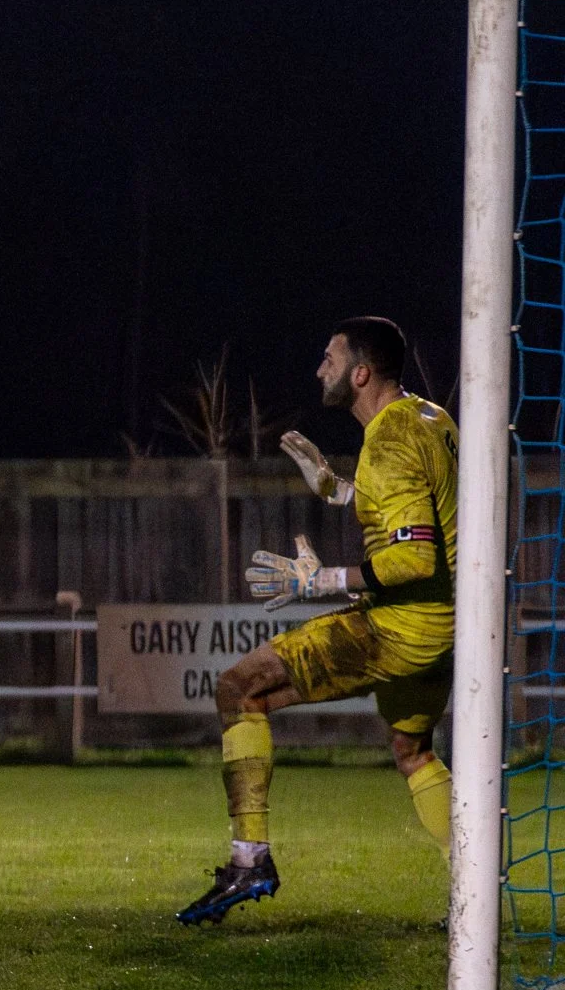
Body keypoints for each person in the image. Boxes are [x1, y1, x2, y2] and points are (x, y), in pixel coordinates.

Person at [177, 316, 457, 925]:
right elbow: (413, 502)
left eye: (330, 358)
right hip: (443, 627)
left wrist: (320, 581)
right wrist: (337, 490)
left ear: (360, 373)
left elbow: (414, 555)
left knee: (238, 689)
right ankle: (473, 891)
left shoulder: (386, 439)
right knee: (412, 751)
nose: (319, 369)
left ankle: (250, 859)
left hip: (399, 628)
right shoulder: (430, 418)